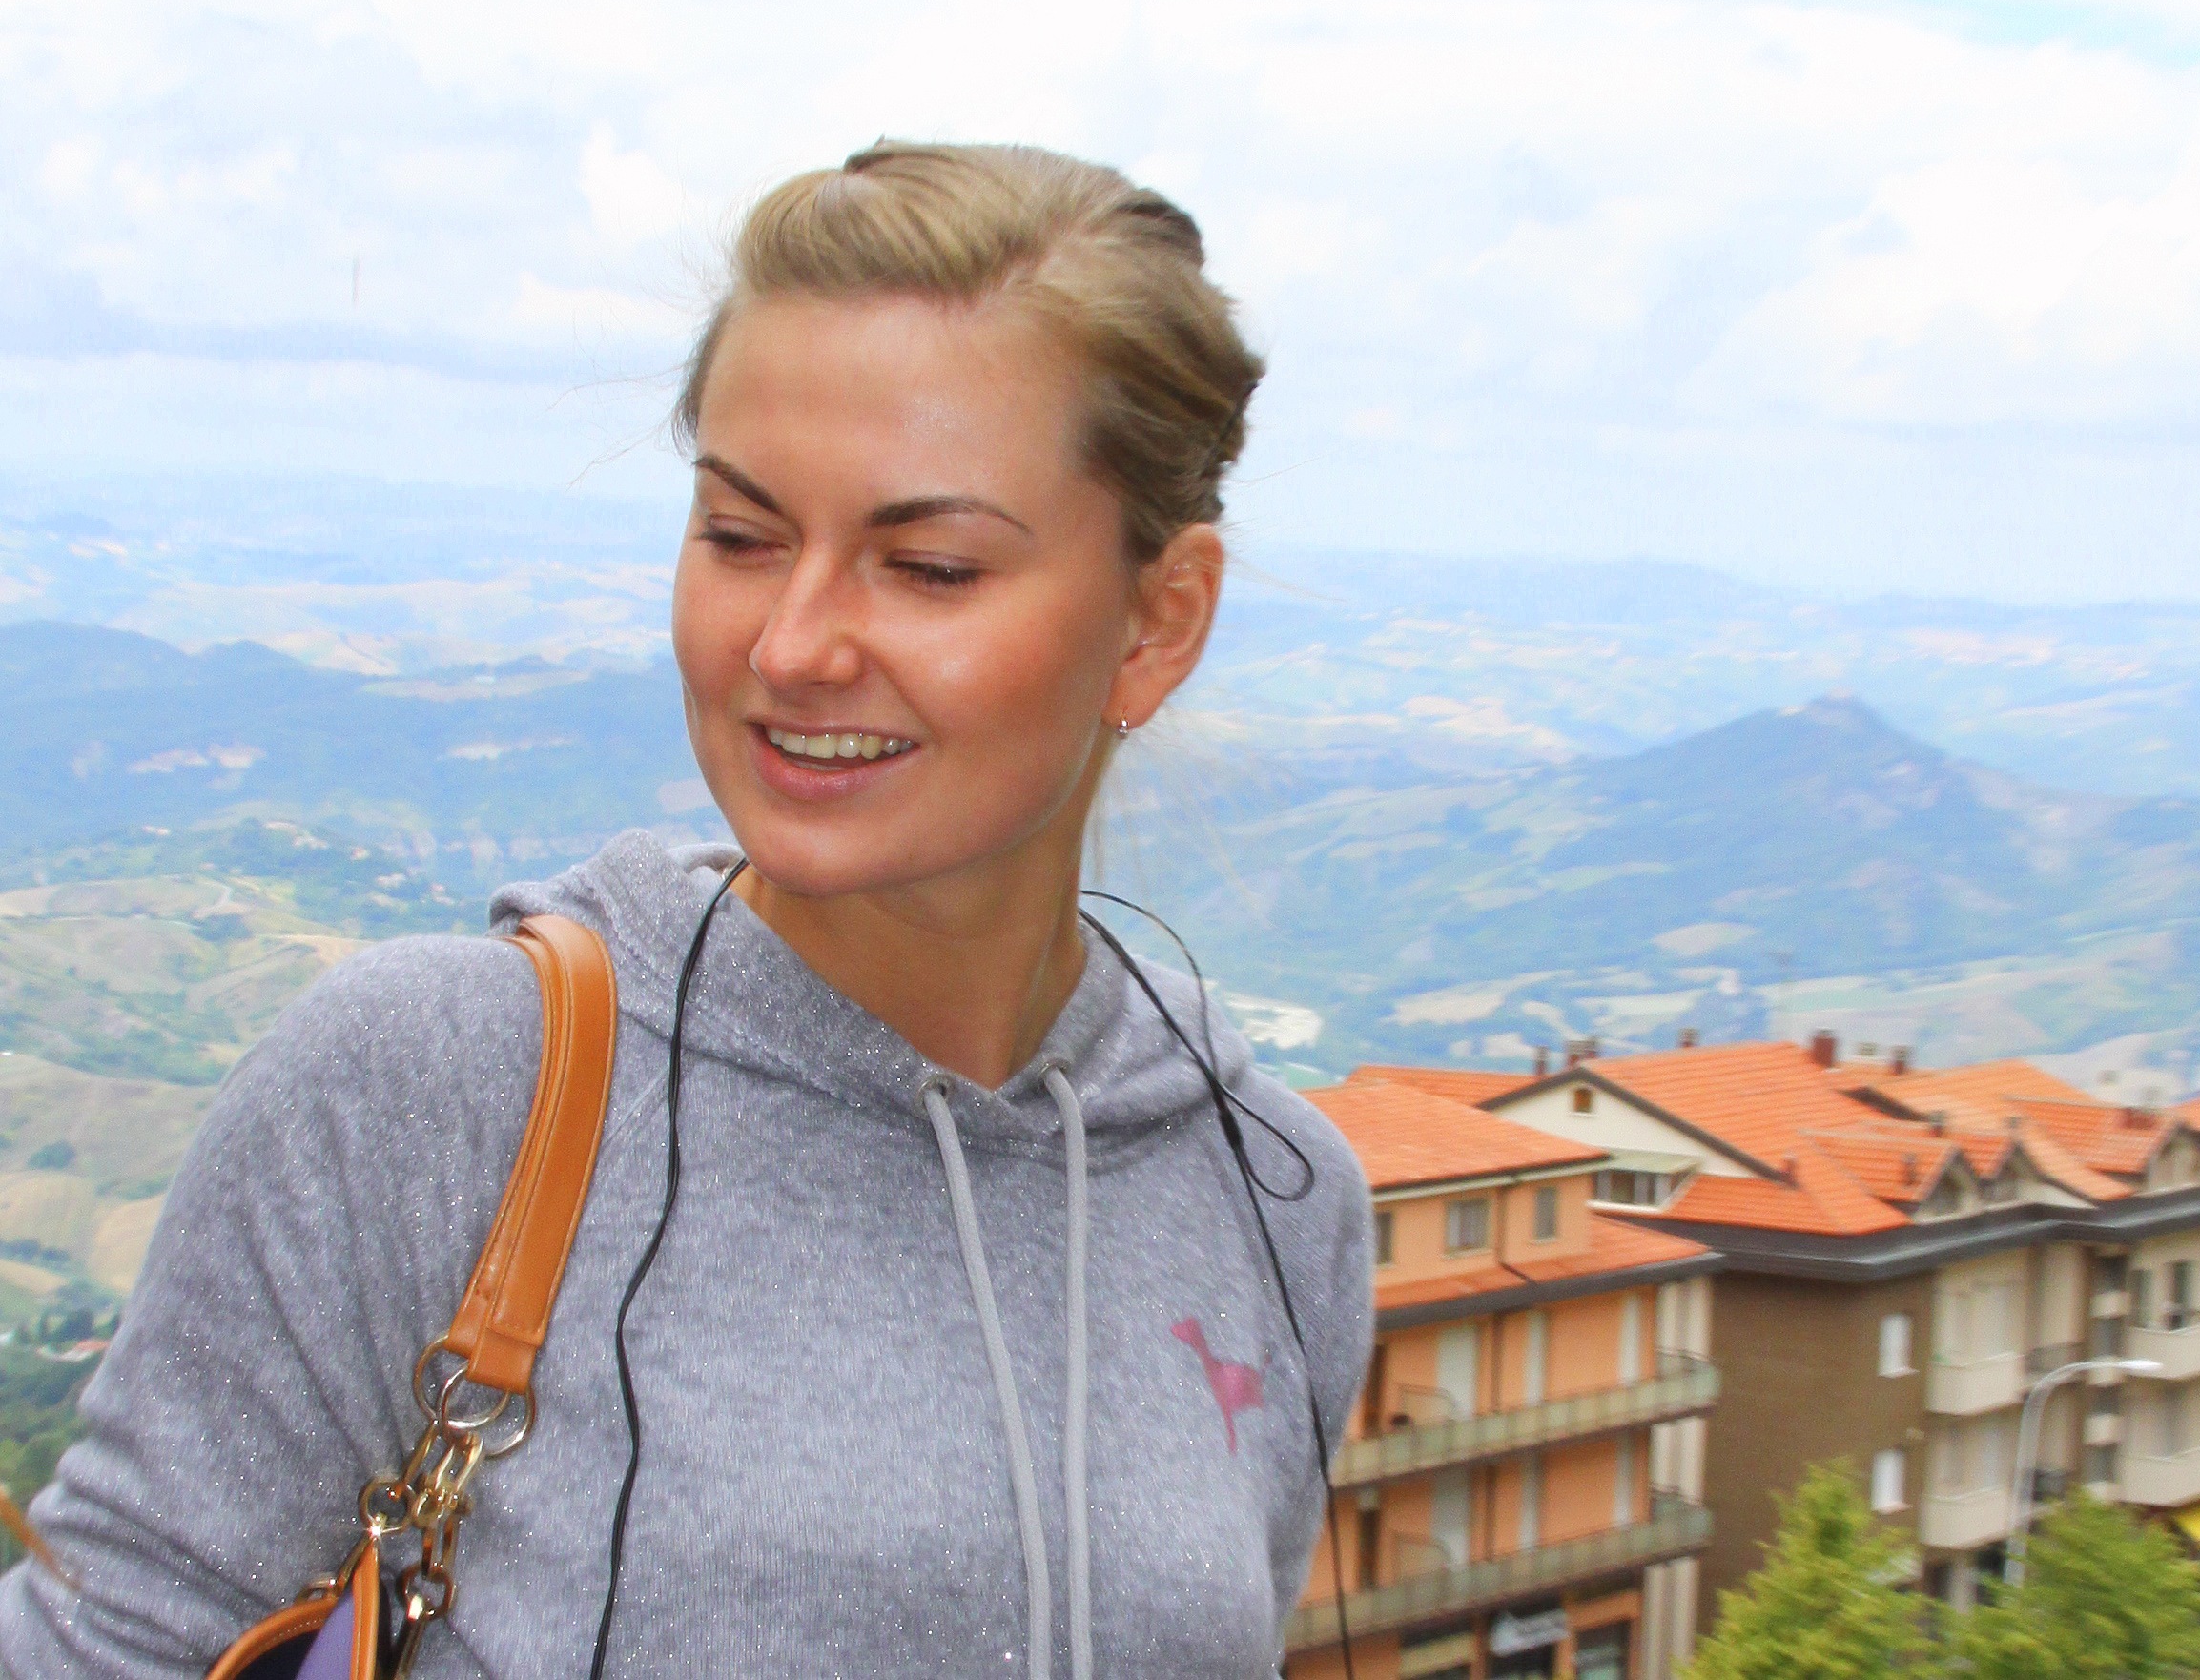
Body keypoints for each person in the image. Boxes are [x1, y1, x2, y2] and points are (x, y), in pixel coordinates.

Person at [0, 143, 1373, 1677]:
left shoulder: (1273, 1199)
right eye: (740, 535)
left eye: (927, 565)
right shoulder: (437, 1086)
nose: (788, 645)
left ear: (1158, 621)